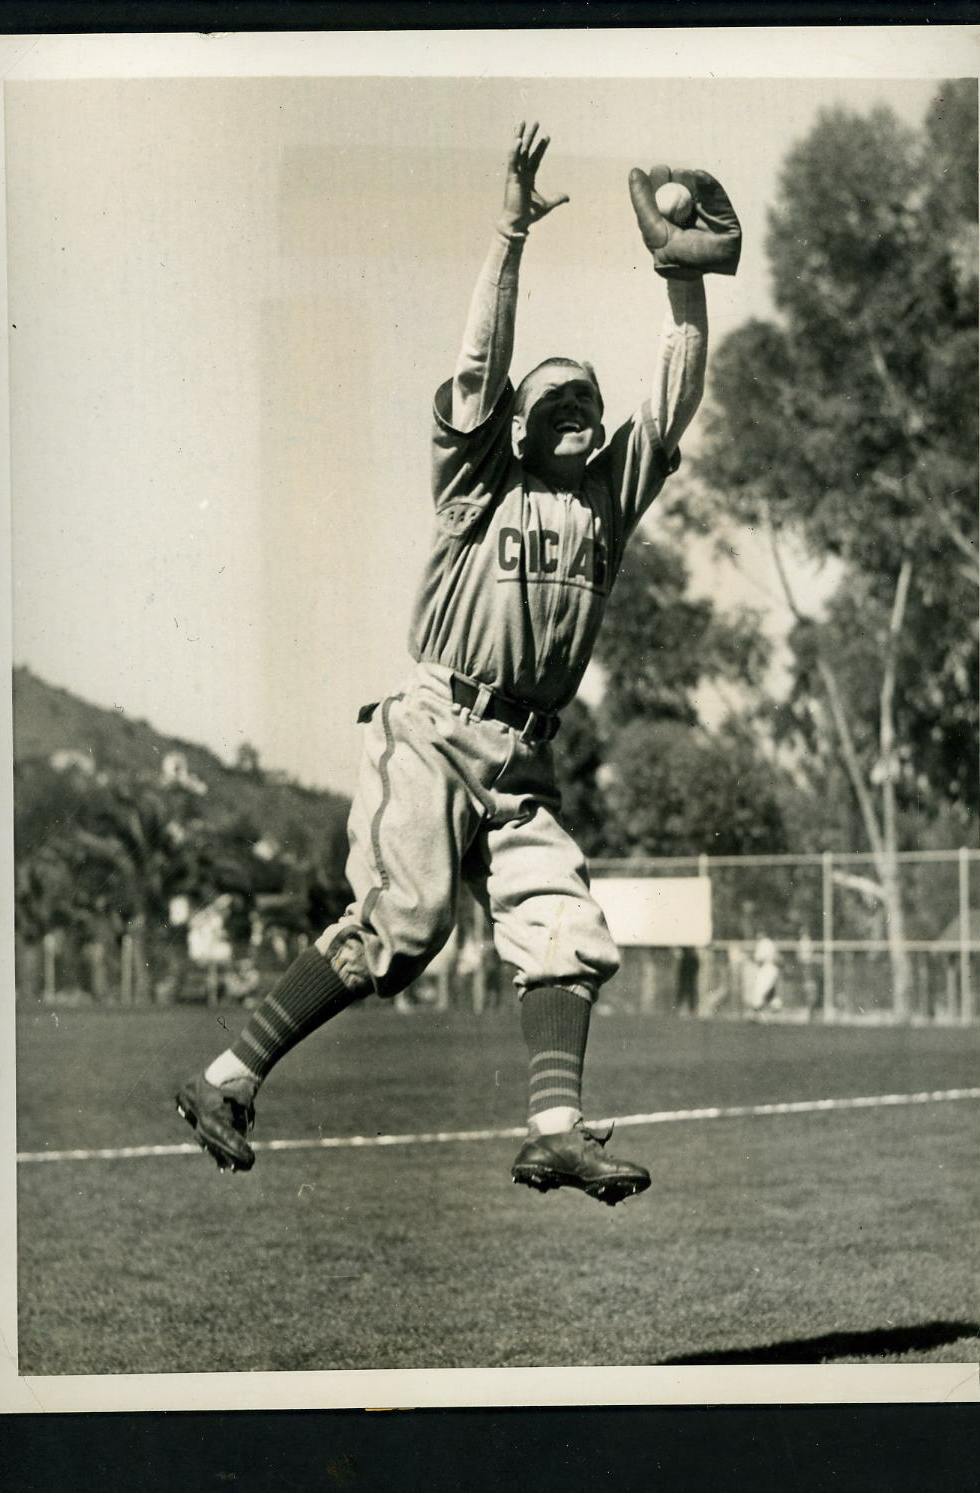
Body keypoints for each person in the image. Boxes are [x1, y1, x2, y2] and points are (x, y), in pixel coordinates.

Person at [176, 122, 740, 1206]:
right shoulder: (477, 487)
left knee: (566, 929)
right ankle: (228, 1077)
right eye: (554, 405)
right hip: (436, 727)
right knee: (403, 927)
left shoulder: (605, 505)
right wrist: (510, 234)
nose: (577, 412)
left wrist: (685, 285)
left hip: (522, 758)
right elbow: (480, 365)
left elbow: (674, 393)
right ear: (519, 429)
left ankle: (558, 1131)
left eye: (587, 400)